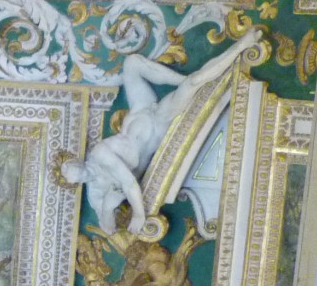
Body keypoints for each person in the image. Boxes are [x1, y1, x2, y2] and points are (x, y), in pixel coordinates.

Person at [59, 29, 262, 234]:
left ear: (76, 160)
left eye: (68, 166)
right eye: (68, 176)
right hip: (158, 123)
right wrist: (107, 208)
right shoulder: (95, 192)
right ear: (74, 183)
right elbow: (108, 228)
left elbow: (128, 182)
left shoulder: (99, 154)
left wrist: (139, 213)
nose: (70, 172)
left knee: (132, 64)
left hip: (139, 111)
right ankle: (240, 47)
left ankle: (183, 79)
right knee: (193, 83)